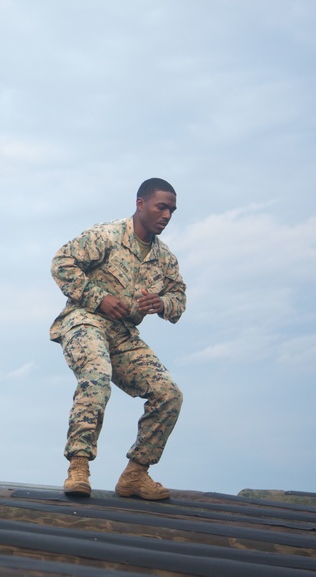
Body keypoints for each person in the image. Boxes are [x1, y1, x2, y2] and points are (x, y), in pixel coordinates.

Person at [50, 178, 186, 500]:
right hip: (85, 320)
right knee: (97, 376)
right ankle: (79, 466)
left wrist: (162, 302)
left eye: (172, 210)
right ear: (140, 204)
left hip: (123, 335)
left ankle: (136, 474)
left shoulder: (164, 258)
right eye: (161, 207)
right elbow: (62, 263)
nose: (166, 215)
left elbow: (178, 298)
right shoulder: (106, 236)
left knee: (169, 395)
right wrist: (99, 298)